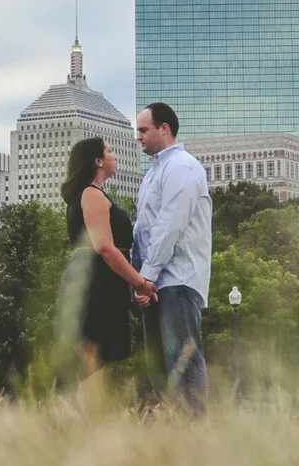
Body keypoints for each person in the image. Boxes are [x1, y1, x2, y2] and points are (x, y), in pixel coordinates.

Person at [129, 100, 212, 414]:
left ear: (164, 128)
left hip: (177, 279)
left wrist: (146, 276)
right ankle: (173, 436)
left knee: (182, 360)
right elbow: (143, 230)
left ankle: (195, 432)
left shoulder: (182, 167)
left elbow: (170, 226)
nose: (139, 136)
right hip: (154, 283)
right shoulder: (154, 173)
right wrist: (140, 280)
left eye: (144, 130)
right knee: (161, 368)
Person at [62, 136, 152, 400]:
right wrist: (141, 283)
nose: (115, 155)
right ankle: (89, 420)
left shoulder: (93, 194)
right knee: (100, 354)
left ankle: (95, 419)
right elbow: (105, 248)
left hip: (103, 281)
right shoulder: (91, 194)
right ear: (98, 161)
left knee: (104, 354)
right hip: (98, 282)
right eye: (110, 151)